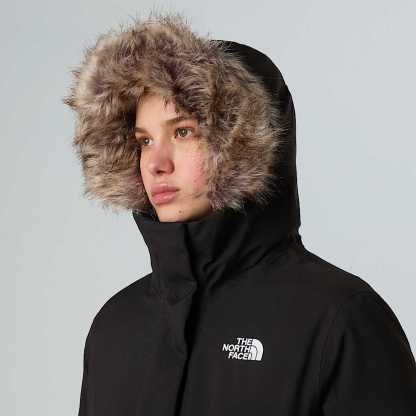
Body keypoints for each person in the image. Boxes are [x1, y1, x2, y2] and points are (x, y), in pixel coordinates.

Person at [63, 10, 416, 416]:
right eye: (144, 141)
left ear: (242, 144)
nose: (156, 163)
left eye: (183, 132)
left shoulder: (339, 319)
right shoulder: (115, 328)